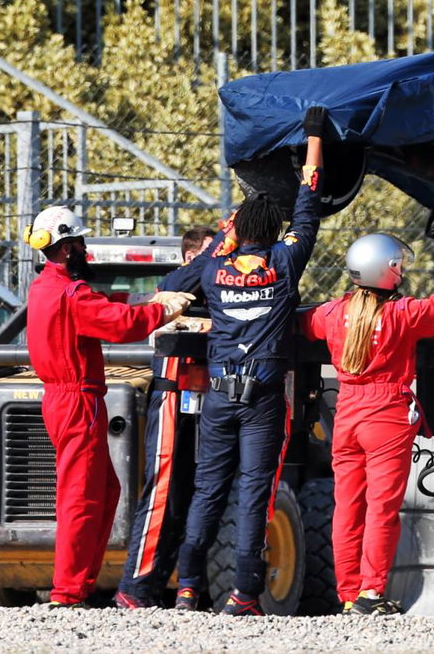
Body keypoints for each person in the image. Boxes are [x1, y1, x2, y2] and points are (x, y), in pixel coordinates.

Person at [174, 106, 329, 616]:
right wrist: (313, 139)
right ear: (274, 231)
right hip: (263, 396)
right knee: (254, 492)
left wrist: (225, 238)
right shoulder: (284, 262)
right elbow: (308, 203)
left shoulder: (215, 269)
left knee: (207, 489)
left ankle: (189, 588)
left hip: (218, 393)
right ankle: (244, 593)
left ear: (238, 231)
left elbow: (172, 286)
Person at [302, 221, 434, 614]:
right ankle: (371, 592)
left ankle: (348, 595)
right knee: (382, 509)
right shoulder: (403, 314)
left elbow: (304, 323)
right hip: (387, 415)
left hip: (347, 412)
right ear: (390, 269)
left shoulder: (332, 313)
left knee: (347, 507)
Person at [23, 205, 188, 607]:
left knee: (104, 489)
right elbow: (119, 324)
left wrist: (150, 298)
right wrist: (163, 309)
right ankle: (67, 593)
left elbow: (105, 304)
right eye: (80, 244)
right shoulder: (71, 295)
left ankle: (78, 585)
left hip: (63, 400)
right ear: (65, 248)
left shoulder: (46, 286)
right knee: (81, 497)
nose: (85, 251)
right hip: (78, 399)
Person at [114, 223, 220, 609]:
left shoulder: (220, 290)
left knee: (196, 495)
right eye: (214, 252)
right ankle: (136, 586)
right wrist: (227, 238)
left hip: (214, 401)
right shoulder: (176, 284)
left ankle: (188, 586)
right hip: (174, 396)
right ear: (194, 256)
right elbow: (181, 282)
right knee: (164, 491)